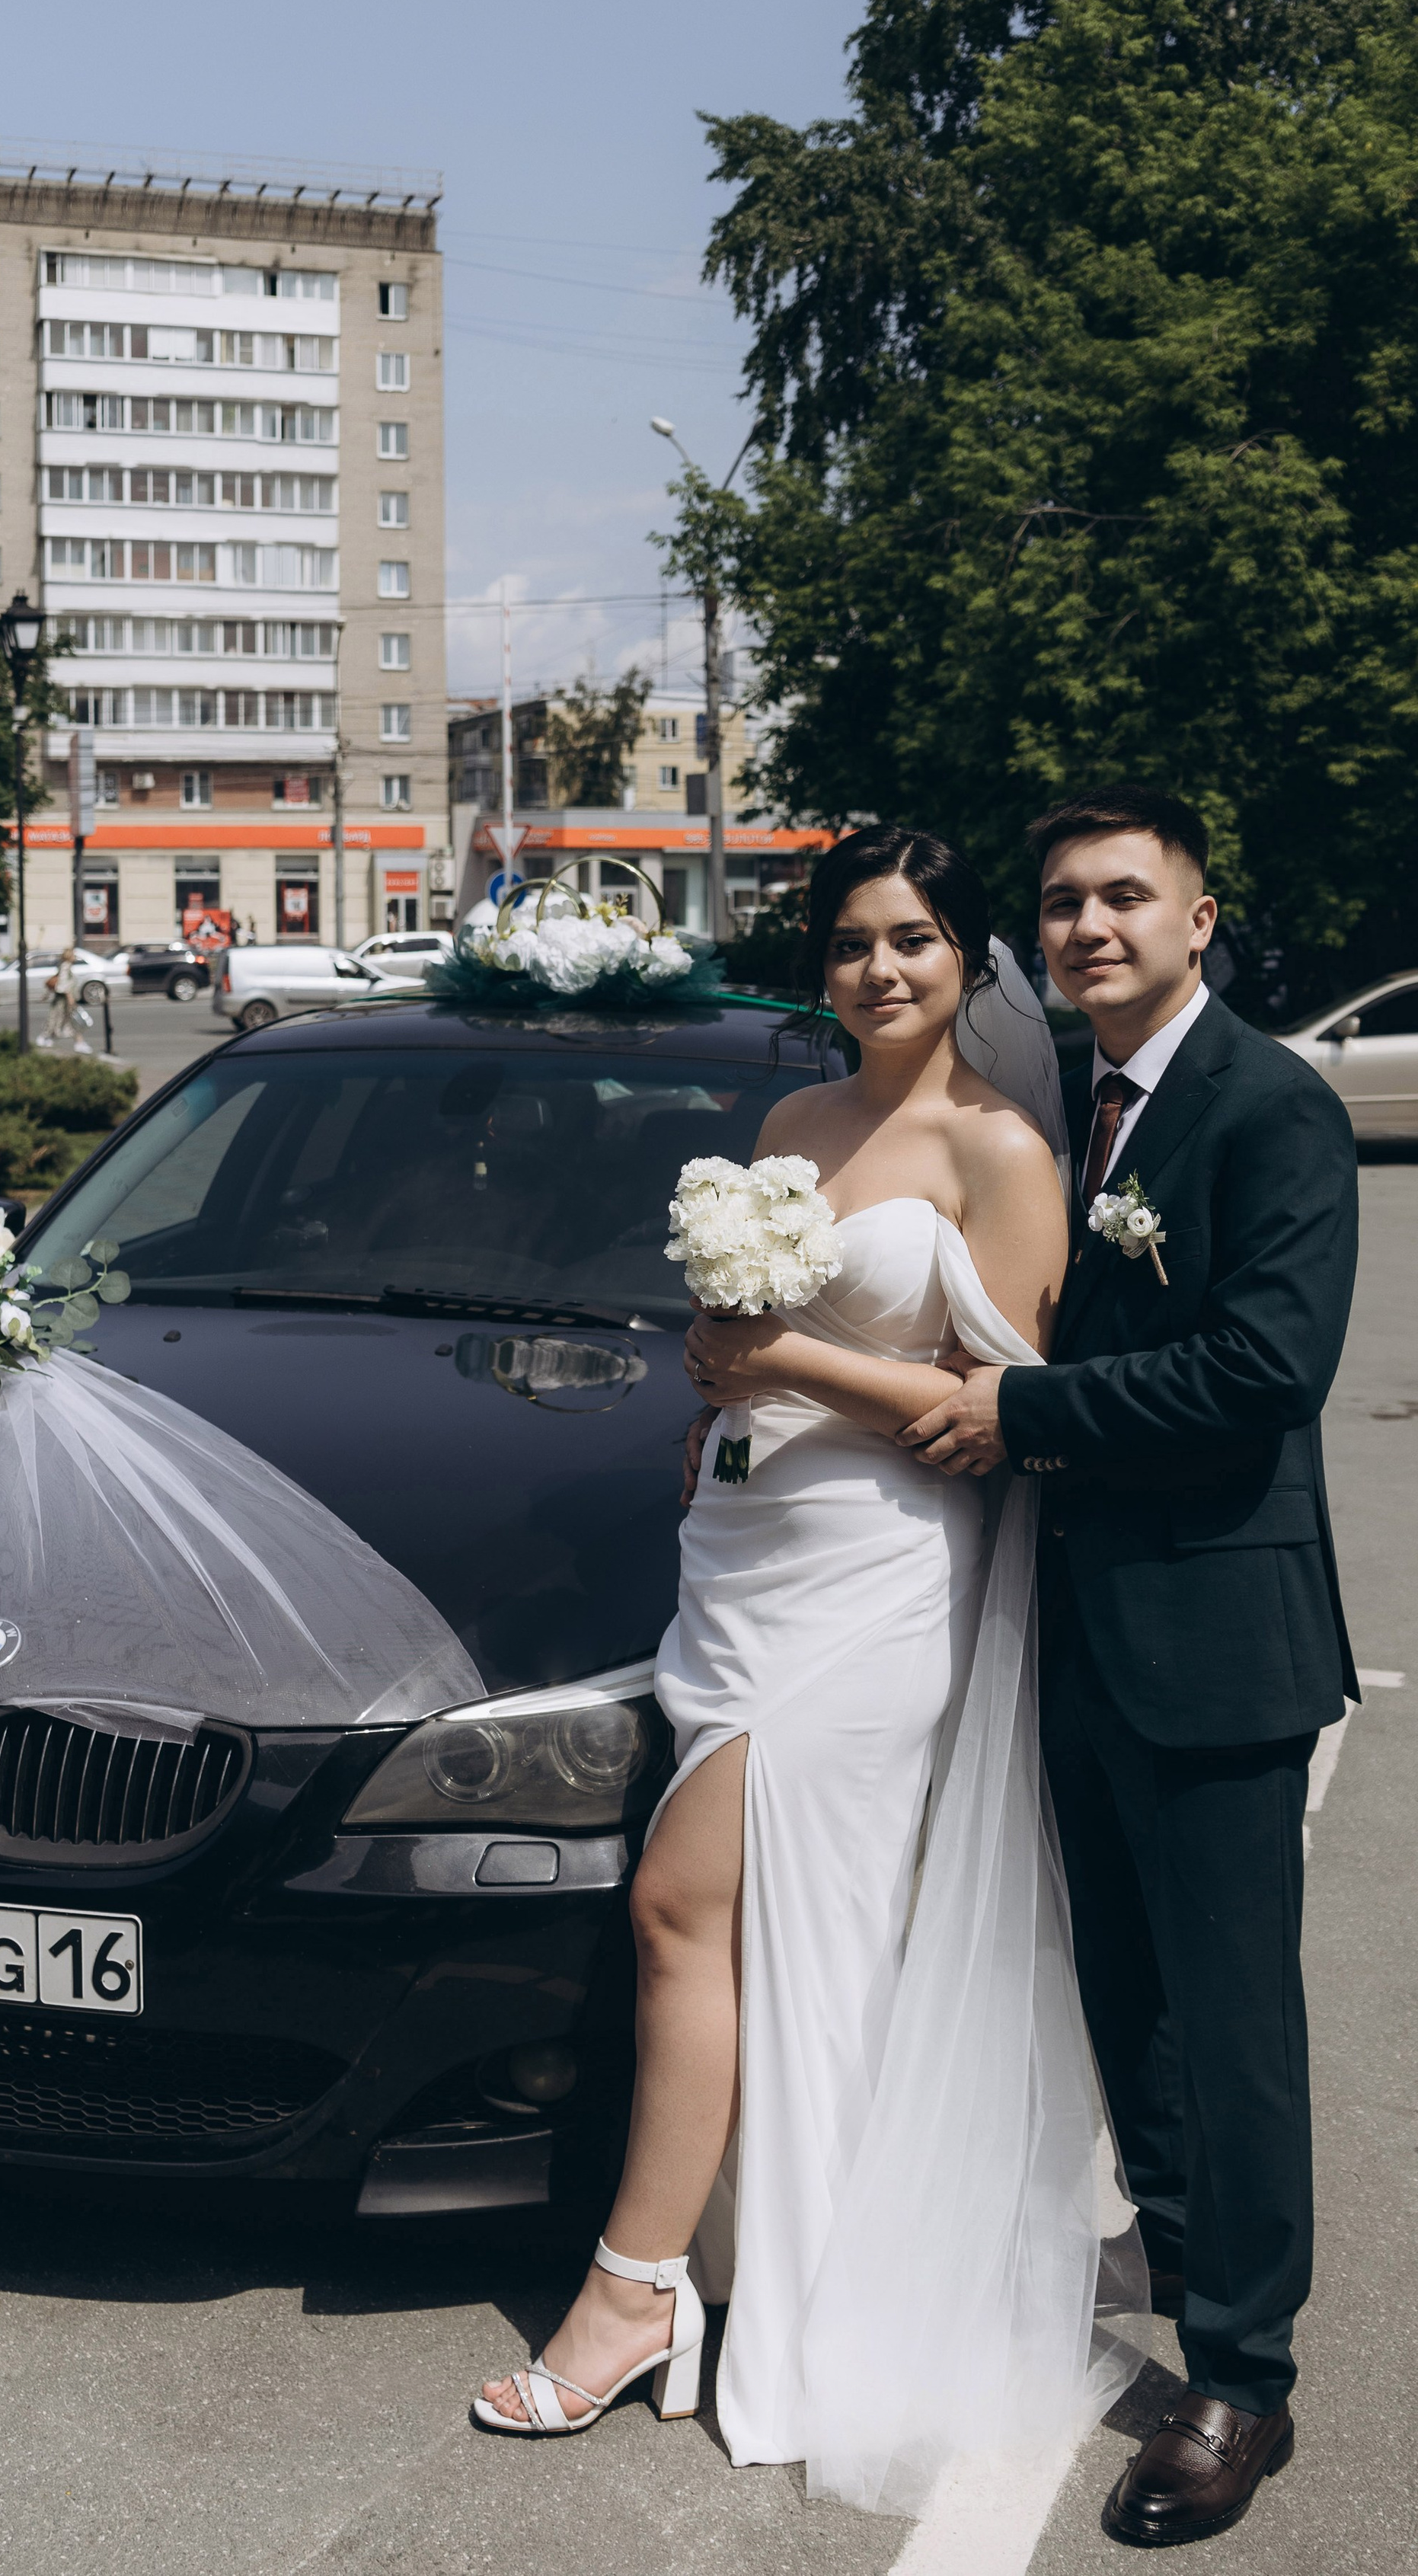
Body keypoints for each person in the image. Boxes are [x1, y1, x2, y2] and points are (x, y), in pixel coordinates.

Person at [475, 824, 1142, 2510]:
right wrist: (717, 1389)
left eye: (912, 938)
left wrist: (783, 1357)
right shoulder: (788, 1127)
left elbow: (999, 1413)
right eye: (851, 941)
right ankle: (781, 2257)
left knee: (676, 1904)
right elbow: (745, 1344)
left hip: (878, 1579)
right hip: (737, 1552)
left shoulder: (998, 1150)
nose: (878, 969)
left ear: (965, 957)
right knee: (776, 1935)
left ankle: (632, 2290)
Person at [902, 785, 1358, 2548]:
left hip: (1216, 1639)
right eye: (1060, 905)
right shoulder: (1067, 1112)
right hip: (1072, 1627)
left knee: (1229, 2026)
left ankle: (1242, 2376)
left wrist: (1021, 1409)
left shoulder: (1267, 1105)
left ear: (1194, 917)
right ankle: (1183, 2274)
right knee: (1126, 2005)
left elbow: (1263, 1368)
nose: (1087, 927)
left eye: (1121, 896)